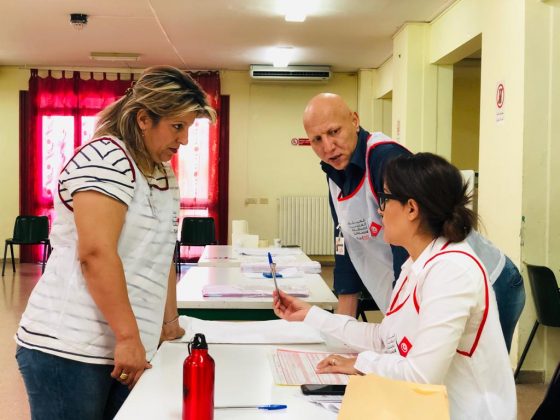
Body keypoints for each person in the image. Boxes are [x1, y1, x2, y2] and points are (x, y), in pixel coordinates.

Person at [15, 66, 216, 419]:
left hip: (127, 345)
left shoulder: (161, 172)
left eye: (188, 128)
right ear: (144, 119)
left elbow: (161, 254)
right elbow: (96, 254)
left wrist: (168, 325)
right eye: (177, 126)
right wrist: (128, 337)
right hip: (70, 348)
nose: (184, 139)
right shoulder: (105, 159)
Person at [273, 152, 516, 419]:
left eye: (385, 199)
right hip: (428, 406)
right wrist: (310, 314)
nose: (379, 210)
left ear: (411, 209)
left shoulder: (452, 271)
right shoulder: (418, 262)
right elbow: (386, 339)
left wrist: (361, 363)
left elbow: (421, 375)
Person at [303, 93, 525, 351]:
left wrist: (394, 333)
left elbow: (410, 249)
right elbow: (345, 245)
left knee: (470, 369)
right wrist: (342, 336)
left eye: (334, 132)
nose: (328, 146)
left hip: (490, 281)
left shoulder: (385, 160)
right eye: (317, 139)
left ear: (354, 120)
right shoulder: (335, 173)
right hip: (430, 285)